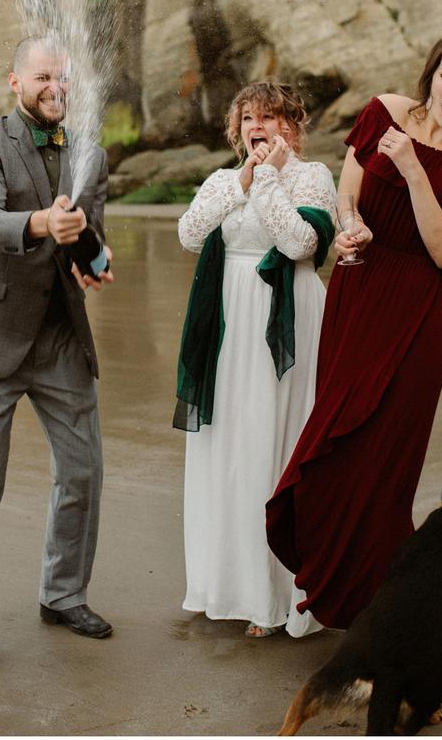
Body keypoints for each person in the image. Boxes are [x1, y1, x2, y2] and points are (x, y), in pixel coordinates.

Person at [265, 27, 442, 630]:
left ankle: (381, 609)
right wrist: (350, 223)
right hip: (357, 295)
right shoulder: (384, 112)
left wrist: (413, 171)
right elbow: (347, 194)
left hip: (416, 319)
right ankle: (334, 585)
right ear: (431, 72)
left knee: (386, 471)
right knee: (336, 447)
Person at [0, 36, 114, 672]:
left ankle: (63, 594)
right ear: (15, 81)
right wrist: (42, 223)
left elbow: (91, 228)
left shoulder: (90, 146)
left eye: (63, 79)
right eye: (42, 78)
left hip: (61, 332)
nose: (54, 88)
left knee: (84, 471)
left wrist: (96, 257)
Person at [175, 82, 337, 638]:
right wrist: (241, 181)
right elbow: (190, 233)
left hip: (287, 325)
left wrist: (268, 177)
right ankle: (227, 583)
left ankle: (272, 596)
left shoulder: (313, 177)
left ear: (292, 125)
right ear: (236, 128)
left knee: (276, 441)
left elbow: (300, 246)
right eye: (248, 117)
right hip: (228, 323)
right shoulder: (225, 179)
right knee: (232, 444)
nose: (258, 125)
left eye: (270, 116)